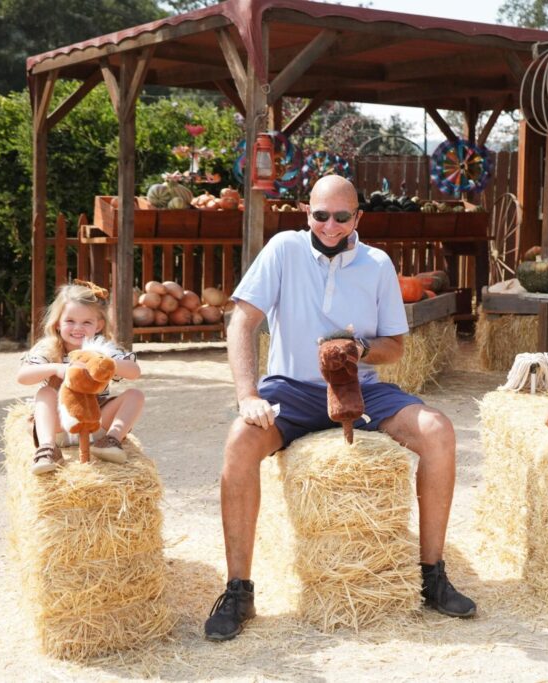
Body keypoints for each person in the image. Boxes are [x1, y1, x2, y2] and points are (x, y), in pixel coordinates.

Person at [204, 175, 476, 642]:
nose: (330, 225)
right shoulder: (282, 249)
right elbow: (242, 321)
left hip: (361, 386)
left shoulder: (377, 263)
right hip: (290, 387)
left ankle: (431, 575)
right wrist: (248, 396)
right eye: (320, 215)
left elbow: (395, 348)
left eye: (341, 216)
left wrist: (358, 348)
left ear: (358, 217)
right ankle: (239, 591)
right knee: (239, 442)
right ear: (306, 213)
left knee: (438, 430)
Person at [16, 281, 144, 474]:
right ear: (58, 323)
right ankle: (48, 449)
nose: (78, 328)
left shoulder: (102, 349)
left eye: (87, 322)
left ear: (99, 325)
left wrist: (104, 364)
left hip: (95, 423)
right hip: (60, 426)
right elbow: (23, 377)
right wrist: (57, 368)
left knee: (135, 395)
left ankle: (110, 441)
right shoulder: (49, 348)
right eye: (70, 321)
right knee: (45, 393)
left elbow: (134, 372)